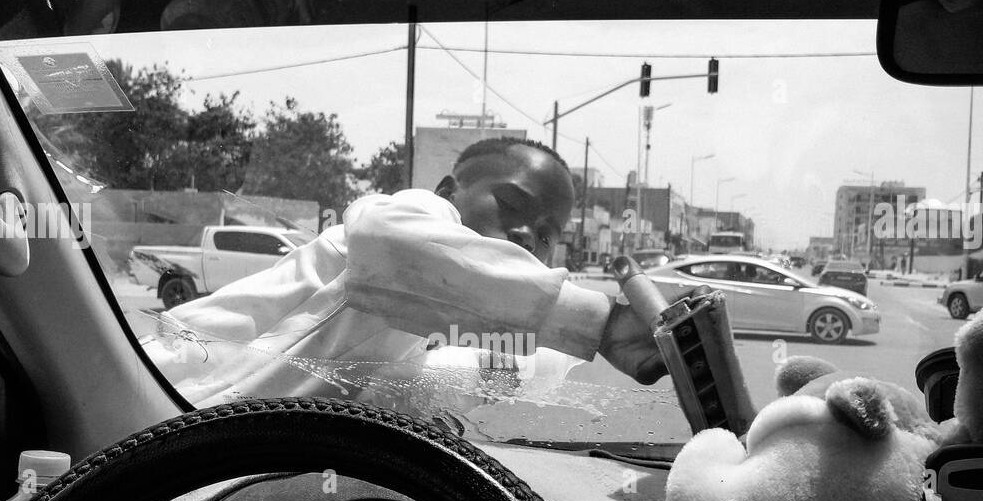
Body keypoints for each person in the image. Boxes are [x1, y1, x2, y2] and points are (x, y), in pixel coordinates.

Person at [144, 137, 670, 408]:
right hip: (150, 398)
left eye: (549, 234)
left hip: (204, 464)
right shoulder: (403, 218)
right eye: (511, 204)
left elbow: (462, 374)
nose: (530, 235)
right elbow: (407, 259)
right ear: (446, 191)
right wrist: (600, 322)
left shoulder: (447, 316)